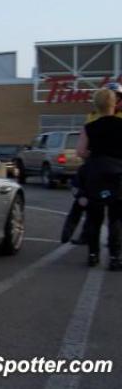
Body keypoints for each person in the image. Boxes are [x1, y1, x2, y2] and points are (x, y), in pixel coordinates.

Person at [62, 82, 122, 245]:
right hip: (97, 163)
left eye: (118, 96)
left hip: (114, 165)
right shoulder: (92, 116)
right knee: (86, 197)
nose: (115, 99)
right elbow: (83, 148)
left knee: (115, 208)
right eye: (113, 96)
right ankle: (84, 234)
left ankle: (113, 243)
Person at [77, 88, 122, 270]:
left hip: (95, 174)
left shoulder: (89, 127)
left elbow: (80, 152)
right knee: (116, 218)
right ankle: (114, 257)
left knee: (94, 217)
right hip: (118, 174)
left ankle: (93, 255)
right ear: (114, 104)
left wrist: (94, 154)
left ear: (96, 105)